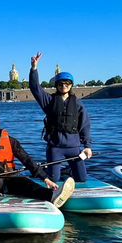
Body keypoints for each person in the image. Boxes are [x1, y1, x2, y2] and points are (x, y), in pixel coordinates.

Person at [29, 52, 93, 181]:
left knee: (82, 179)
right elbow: (35, 88)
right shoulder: (49, 101)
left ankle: (67, 171)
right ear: (57, 85)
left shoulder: (78, 104)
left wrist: (87, 146)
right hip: (55, 148)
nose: (64, 86)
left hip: (74, 149)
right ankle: (49, 172)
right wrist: (34, 68)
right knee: (54, 180)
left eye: (67, 84)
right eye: (61, 84)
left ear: (71, 85)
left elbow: (85, 125)